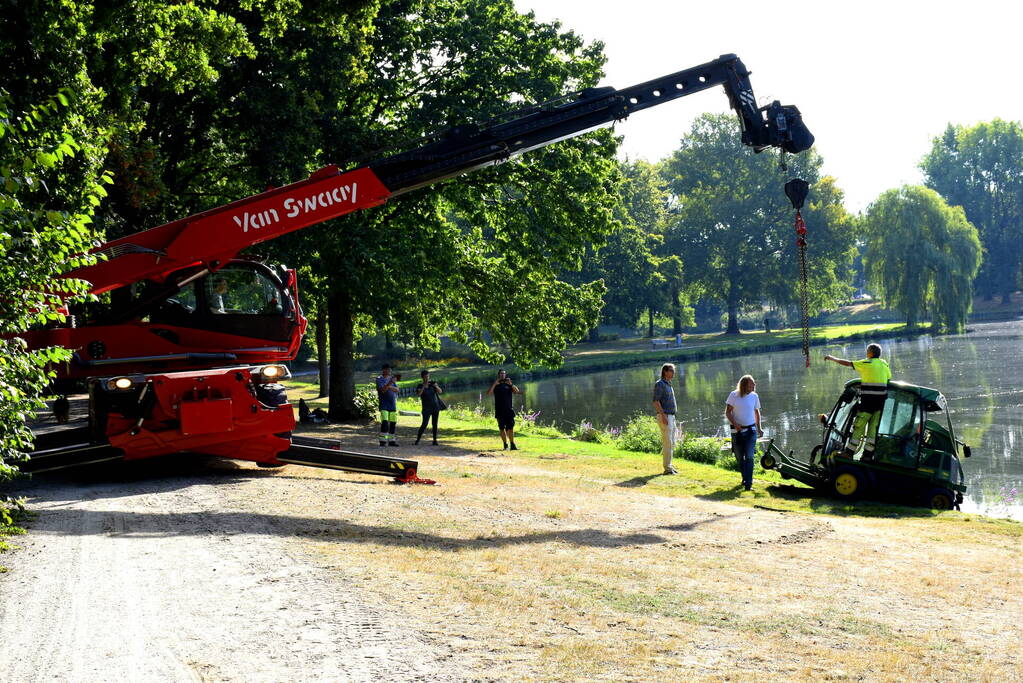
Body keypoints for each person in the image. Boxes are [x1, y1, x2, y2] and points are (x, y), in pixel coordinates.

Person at [824, 343, 891, 460]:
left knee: (859, 426)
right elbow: (888, 378)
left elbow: (847, 363)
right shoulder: (884, 364)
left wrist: (832, 358)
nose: (866, 353)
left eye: (867, 351)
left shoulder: (867, 363)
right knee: (873, 430)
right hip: (880, 403)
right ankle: (867, 456)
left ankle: (849, 453)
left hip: (868, 401)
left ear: (870, 353)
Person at [726, 375, 762, 491]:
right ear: (744, 385)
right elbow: (728, 412)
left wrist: (759, 428)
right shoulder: (733, 395)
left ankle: (748, 484)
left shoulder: (754, 396)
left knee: (750, 457)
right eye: (752, 384)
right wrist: (736, 424)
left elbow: (756, 413)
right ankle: (744, 477)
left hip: (751, 431)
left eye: (754, 383)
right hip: (736, 432)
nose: (754, 385)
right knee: (740, 457)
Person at [652, 363, 679, 475]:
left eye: (673, 371)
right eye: (671, 371)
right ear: (665, 372)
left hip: (671, 416)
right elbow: (656, 401)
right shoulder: (660, 384)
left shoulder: (668, 384)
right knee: (667, 442)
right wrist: (663, 416)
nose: (673, 373)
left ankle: (670, 466)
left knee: (672, 442)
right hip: (665, 416)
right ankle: (667, 468)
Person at [487, 369, 520, 450]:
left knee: (511, 428)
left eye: (504, 374)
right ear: (498, 375)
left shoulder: (508, 384)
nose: (503, 375)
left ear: (505, 375)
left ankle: (512, 445)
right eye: (501, 374)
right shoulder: (496, 385)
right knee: (501, 428)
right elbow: (489, 393)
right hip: (499, 410)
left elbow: (517, 391)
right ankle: (505, 445)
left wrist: (511, 384)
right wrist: (495, 384)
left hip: (509, 410)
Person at [415, 370, 444, 445]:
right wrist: (423, 387)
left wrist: (436, 386)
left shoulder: (432, 384)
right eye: (425, 377)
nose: (427, 378)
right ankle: (418, 440)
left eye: (428, 376)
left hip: (435, 407)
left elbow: (440, 391)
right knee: (424, 424)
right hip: (426, 409)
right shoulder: (420, 386)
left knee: (435, 424)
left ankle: (435, 440)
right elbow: (419, 394)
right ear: (422, 377)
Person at [376, 363, 400, 447]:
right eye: (388, 369)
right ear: (384, 370)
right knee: (385, 423)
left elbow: (397, 389)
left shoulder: (392, 379)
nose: (390, 371)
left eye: (390, 369)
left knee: (393, 423)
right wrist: (390, 384)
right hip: (384, 405)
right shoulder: (379, 379)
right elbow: (382, 390)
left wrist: (389, 386)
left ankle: (391, 441)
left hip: (392, 404)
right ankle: (383, 441)